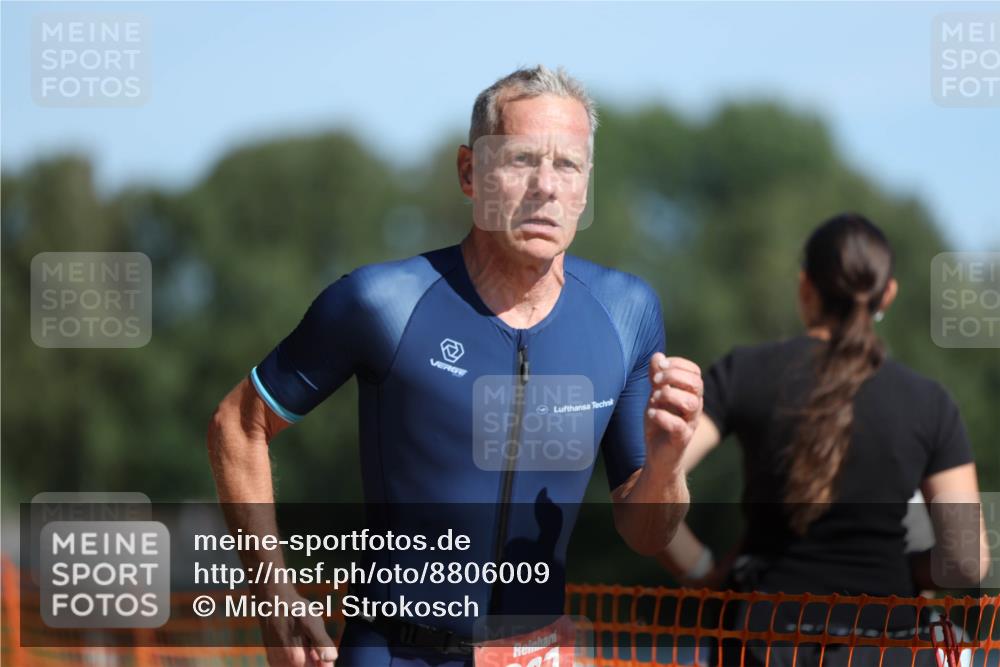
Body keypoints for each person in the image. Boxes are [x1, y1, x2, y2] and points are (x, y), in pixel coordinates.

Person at [207, 65, 703, 667]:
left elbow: (647, 533)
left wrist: (669, 463)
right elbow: (238, 424)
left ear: (585, 184)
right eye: (521, 160)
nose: (546, 185)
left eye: (568, 165)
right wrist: (275, 597)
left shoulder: (627, 312)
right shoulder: (383, 302)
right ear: (471, 173)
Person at [658, 213, 989, 666]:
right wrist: (912, 569)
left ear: (805, 288)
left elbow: (650, 481)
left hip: (759, 644)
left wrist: (699, 568)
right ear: (886, 293)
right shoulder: (929, 402)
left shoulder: (745, 372)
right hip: (884, 644)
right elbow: (967, 560)